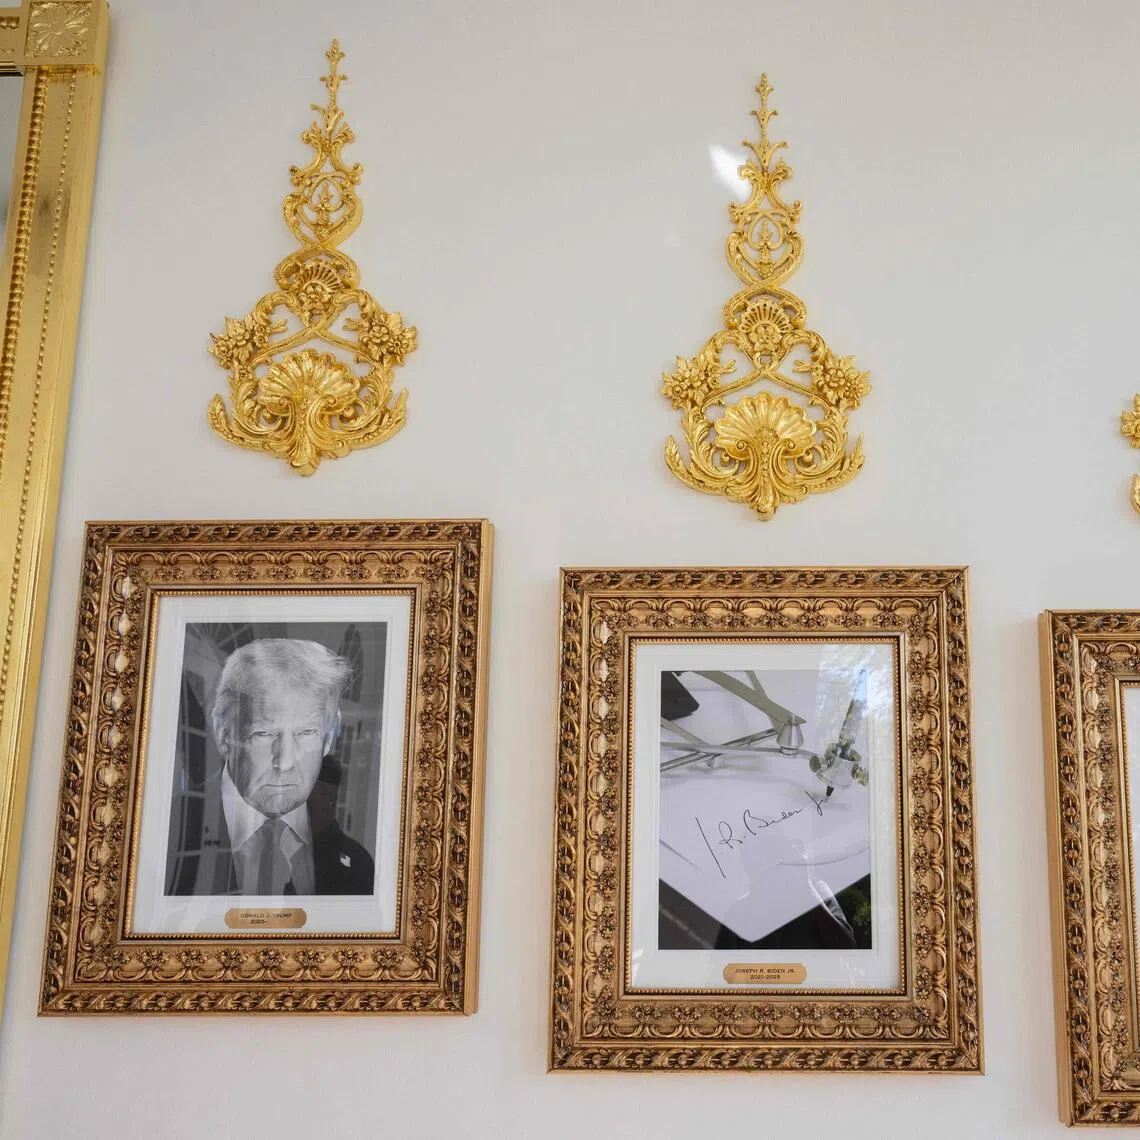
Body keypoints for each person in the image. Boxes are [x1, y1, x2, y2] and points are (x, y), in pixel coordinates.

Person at [165, 638, 375, 896]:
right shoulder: (169, 829)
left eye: (306, 732)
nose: (285, 761)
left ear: (329, 737)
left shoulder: (356, 865)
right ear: (223, 734)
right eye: (263, 733)